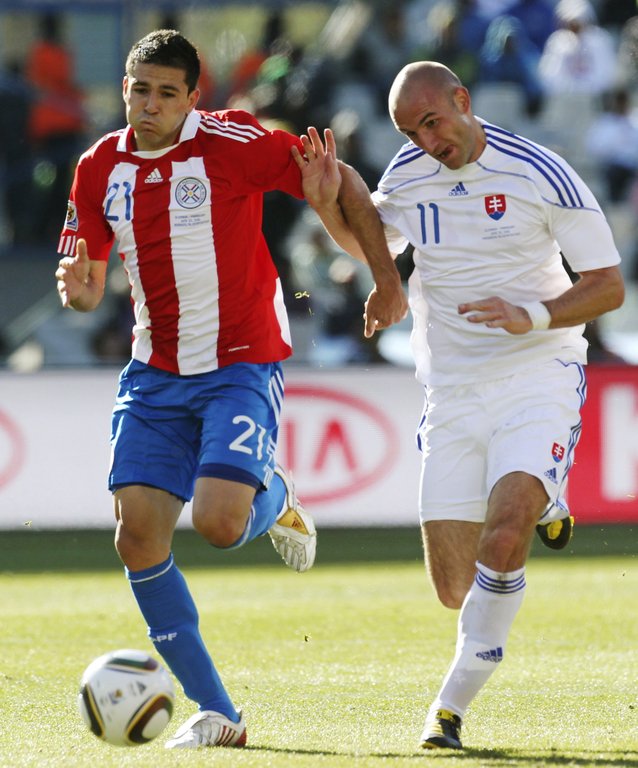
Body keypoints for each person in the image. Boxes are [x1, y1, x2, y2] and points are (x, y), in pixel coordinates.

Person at [54, 29, 406, 751]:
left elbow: (338, 180)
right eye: (140, 90)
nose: (151, 105)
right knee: (136, 536)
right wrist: (80, 292)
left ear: (193, 97)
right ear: (124, 90)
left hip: (240, 361)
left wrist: (385, 277)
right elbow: (86, 283)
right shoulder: (98, 167)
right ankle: (218, 712)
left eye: (167, 93)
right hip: (154, 371)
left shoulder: (233, 142)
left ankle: (271, 495)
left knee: (219, 525)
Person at [297, 61, 624, 750]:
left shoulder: (540, 171)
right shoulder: (408, 175)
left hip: (538, 371)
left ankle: (448, 710)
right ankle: (548, 499)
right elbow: (371, 242)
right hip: (450, 388)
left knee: (504, 537)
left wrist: (533, 315)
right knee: (454, 587)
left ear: (463, 100)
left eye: (432, 123)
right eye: (409, 133)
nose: (426, 142)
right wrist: (329, 205)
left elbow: (607, 286)